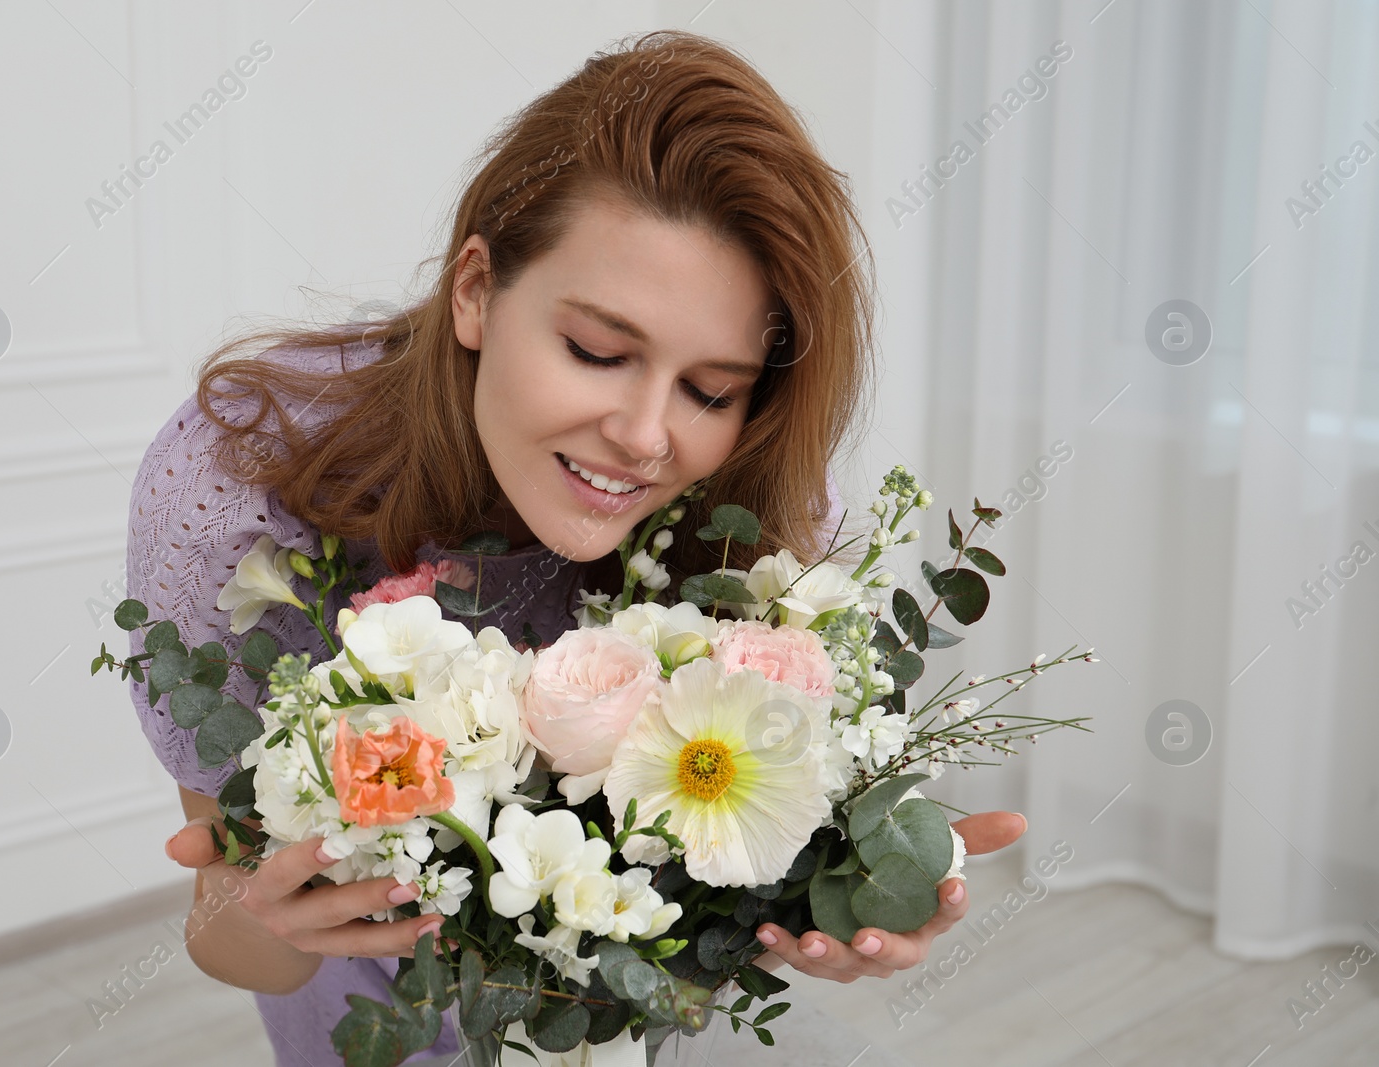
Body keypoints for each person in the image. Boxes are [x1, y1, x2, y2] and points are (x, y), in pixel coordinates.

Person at [126, 28, 1027, 1067]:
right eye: (599, 351)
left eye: (710, 389)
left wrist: (830, 888)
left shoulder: (749, 506)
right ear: (474, 291)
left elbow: (703, 925)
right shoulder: (244, 489)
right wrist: (266, 910)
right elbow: (237, 943)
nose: (647, 436)